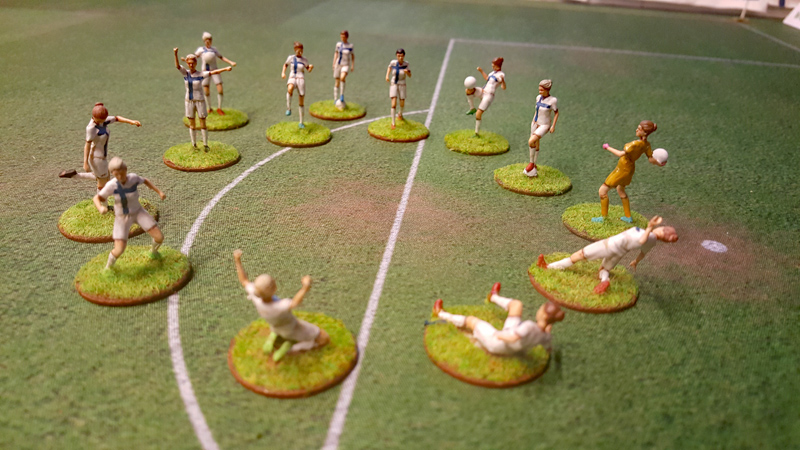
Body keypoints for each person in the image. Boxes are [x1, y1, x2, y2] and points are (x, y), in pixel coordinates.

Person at [538, 215, 679, 294]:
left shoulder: (650, 236)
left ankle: (549, 267)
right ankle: (605, 281)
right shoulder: (652, 242)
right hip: (619, 252)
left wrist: (649, 227)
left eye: (662, 228)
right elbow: (643, 253)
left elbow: (642, 240)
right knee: (604, 269)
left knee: (580, 254)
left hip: (610, 245)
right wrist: (635, 261)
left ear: (662, 232)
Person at [233, 249, 330, 362]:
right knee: (323, 338)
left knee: (278, 328)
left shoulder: (256, 297)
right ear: (274, 288)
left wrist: (237, 260)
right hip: (291, 329)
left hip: (275, 326)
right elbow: (295, 302)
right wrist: (305, 287)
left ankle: (274, 336)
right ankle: (292, 348)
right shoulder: (280, 306)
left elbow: (244, 280)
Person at [432, 283, 564, 356]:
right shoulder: (545, 335)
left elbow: (513, 338)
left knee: (472, 321)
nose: (538, 310)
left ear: (544, 316)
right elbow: (548, 348)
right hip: (512, 333)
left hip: (498, 344)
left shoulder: (529, 326)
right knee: (516, 305)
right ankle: (493, 296)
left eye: (540, 309)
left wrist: (498, 335)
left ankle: (440, 314)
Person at [59, 103, 142, 207]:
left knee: (102, 177)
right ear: (94, 117)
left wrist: (131, 121)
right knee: (103, 183)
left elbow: (117, 118)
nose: (101, 122)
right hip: (96, 158)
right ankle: (104, 206)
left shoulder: (103, 120)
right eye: (99, 120)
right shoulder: (91, 128)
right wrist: (85, 163)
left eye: (103, 120)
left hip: (103, 156)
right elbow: (87, 145)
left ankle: (75, 175)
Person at [93, 157, 166, 270]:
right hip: (122, 217)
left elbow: (145, 180)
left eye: (122, 173)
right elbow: (97, 198)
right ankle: (108, 268)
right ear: (112, 174)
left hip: (138, 212)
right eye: (116, 174)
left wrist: (159, 192)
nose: (120, 177)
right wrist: (100, 208)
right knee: (119, 249)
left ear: (125, 169)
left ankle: (153, 252)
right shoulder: (111, 185)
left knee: (159, 237)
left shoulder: (133, 178)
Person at [592, 120, 665, 223]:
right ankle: (628, 216)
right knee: (620, 190)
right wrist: (659, 163)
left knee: (602, 191)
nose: (636, 129)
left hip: (622, 169)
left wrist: (608, 147)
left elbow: (620, 154)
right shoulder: (647, 145)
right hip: (630, 169)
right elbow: (651, 159)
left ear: (645, 133)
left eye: (639, 129)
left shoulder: (633, 144)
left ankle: (604, 218)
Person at [173, 47, 233, 151]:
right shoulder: (185, 73)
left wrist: (225, 69)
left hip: (200, 101)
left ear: (196, 63)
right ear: (187, 64)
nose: (191, 65)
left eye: (193, 63)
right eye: (189, 63)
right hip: (189, 101)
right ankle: (194, 144)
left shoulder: (201, 74)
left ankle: (205, 145)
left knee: (202, 123)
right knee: (192, 124)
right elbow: (177, 66)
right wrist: (175, 54)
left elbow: (213, 72)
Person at [192, 32, 237, 115]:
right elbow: (193, 58)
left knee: (220, 89)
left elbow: (221, 57)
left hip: (215, 71)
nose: (208, 42)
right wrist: (187, 60)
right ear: (204, 41)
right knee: (206, 91)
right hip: (205, 72)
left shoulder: (214, 50)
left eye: (209, 40)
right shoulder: (201, 50)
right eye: (206, 40)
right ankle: (209, 108)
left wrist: (230, 62)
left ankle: (219, 108)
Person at [524, 79, 559, 178]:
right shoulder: (538, 98)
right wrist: (534, 123)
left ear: (547, 90)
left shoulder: (552, 100)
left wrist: (553, 126)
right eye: (539, 89)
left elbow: (556, 113)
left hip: (544, 125)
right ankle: (534, 165)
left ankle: (531, 163)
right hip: (535, 123)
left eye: (542, 90)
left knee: (531, 141)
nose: (540, 92)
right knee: (536, 143)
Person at [465, 57, 506, 136]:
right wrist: (481, 71)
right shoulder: (492, 73)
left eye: (493, 65)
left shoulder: (501, 75)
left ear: (497, 66)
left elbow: (503, 88)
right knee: (468, 91)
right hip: (483, 91)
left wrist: (503, 81)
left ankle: (476, 133)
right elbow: (487, 78)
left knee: (478, 114)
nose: (492, 66)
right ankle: (472, 108)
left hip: (489, 95)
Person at [282, 42, 314, 128]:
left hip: (300, 79)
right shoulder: (291, 58)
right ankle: (288, 108)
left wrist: (311, 67)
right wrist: (283, 73)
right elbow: (285, 65)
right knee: (290, 88)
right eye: (298, 50)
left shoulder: (304, 60)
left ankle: (301, 122)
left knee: (301, 99)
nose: (300, 52)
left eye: (301, 51)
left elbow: (308, 69)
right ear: (295, 50)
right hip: (292, 77)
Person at [385, 49, 411, 130]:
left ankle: (400, 113)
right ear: (396, 56)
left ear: (404, 56)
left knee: (402, 102)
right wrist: (387, 75)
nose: (400, 57)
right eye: (398, 56)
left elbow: (410, 75)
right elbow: (389, 67)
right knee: (393, 104)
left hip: (402, 83)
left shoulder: (406, 64)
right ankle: (393, 123)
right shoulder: (393, 62)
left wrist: (407, 72)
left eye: (401, 56)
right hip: (394, 83)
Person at [332, 30, 354, 105]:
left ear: (347, 37)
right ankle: (335, 98)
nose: (342, 38)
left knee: (342, 77)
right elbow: (336, 53)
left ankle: (342, 95)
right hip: (338, 64)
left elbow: (352, 56)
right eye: (341, 36)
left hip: (346, 64)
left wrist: (352, 65)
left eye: (344, 36)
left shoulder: (350, 46)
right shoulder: (338, 44)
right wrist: (334, 63)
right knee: (337, 81)